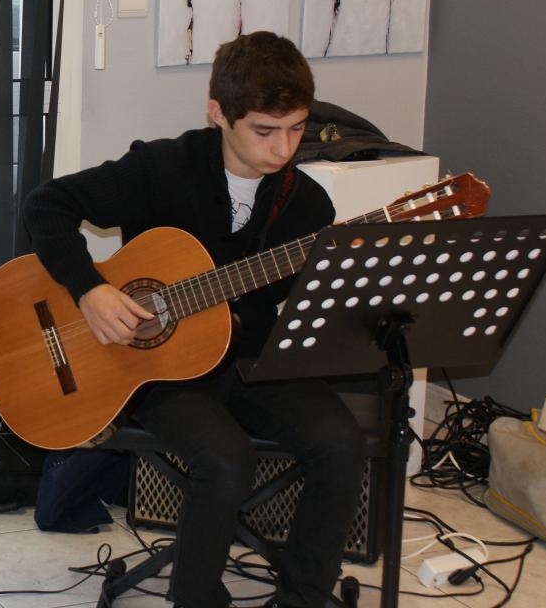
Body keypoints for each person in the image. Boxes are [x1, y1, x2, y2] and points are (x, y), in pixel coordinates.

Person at [23, 32, 366, 608]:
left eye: (297, 128)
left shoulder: (307, 205)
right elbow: (46, 204)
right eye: (265, 130)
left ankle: (301, 598)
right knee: (225, 458)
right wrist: (90, 290)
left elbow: (290, 300)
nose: (283, 148)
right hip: (155, 365)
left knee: (341, 445)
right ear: (219, 114)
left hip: (251, 359)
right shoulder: (161, 167)